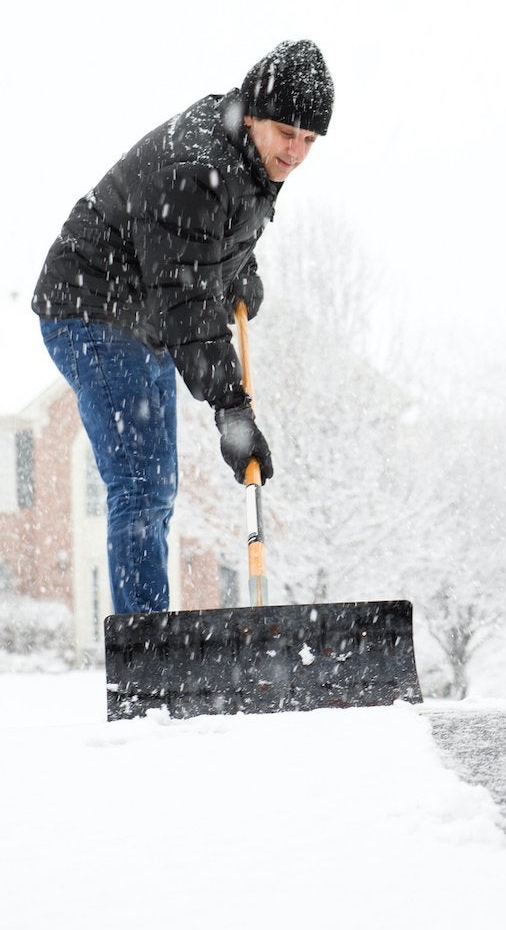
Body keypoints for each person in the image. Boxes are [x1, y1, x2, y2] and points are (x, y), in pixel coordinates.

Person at [32, 39, 334, 616]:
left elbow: (209, 241)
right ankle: (145, 659)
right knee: (141, 488)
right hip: (90, 308)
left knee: (157, 487)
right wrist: (232, 409)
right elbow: (188, 303)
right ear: (252, 116)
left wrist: (240, 269)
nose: (296, 152)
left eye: (309, 140)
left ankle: (151, 641)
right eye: (286, 134)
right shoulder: (196, 167)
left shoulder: (246, 154)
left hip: (140, 316)